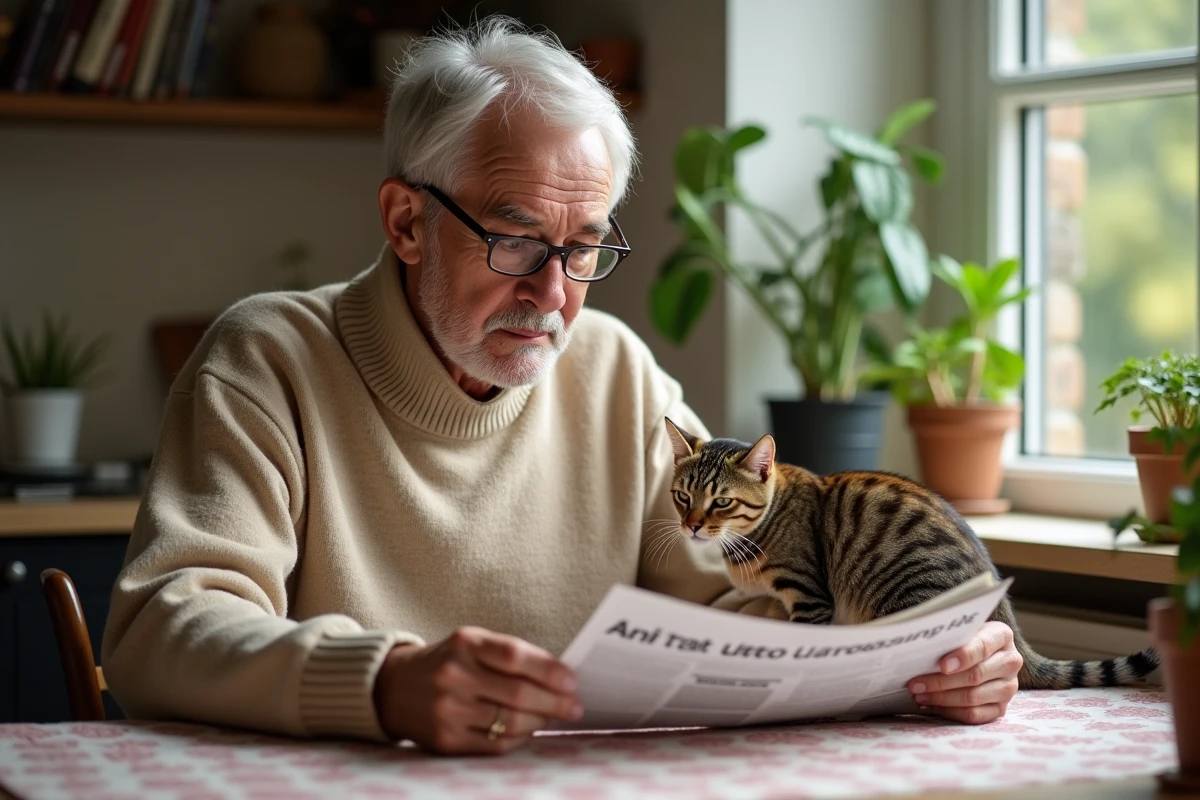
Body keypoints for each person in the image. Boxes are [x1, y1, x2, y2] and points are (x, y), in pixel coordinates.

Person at [102, 17, 1022, 756]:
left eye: (584, 247)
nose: (553, 294)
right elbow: (162, 628)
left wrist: (925, 652)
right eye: (515, 240)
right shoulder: (266, 360)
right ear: (407, 222)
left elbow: (739, 607)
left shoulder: (617, 371)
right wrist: (382, 683)